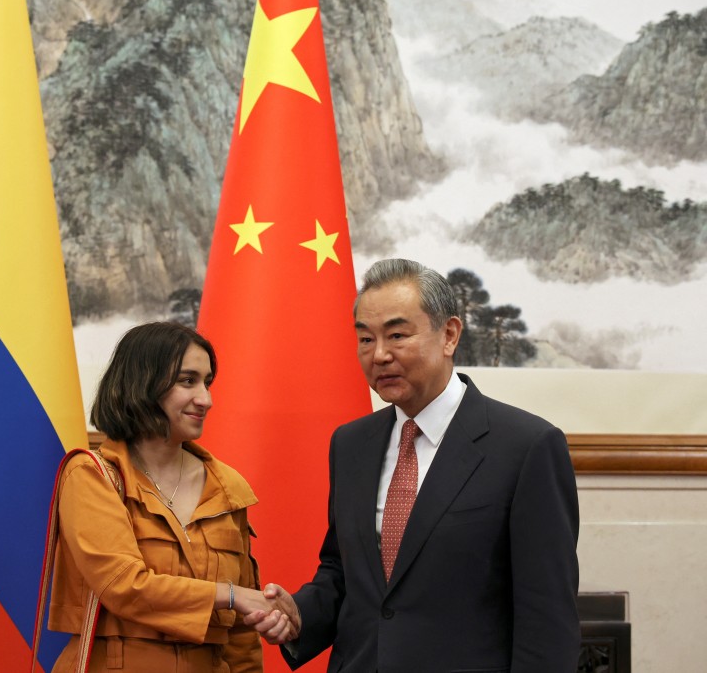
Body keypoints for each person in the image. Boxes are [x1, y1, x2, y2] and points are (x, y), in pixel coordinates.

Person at [247, 258, 581, 671]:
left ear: (449, 335)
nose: (380, 355)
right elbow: (344, 572)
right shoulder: (351, 444)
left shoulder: (526, 446)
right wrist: (301, 614)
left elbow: (547, 618)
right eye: (365, 340)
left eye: (397, 335)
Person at [46, 322, 289, 672]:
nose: (205, 399)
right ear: (142, 384)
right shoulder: (92, 475)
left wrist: (251, 608)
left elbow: (240, 636)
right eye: (187, 381)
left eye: (207, 382)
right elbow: (124, 586)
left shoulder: (226, 486)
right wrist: (231, 594)